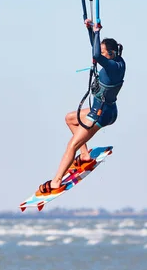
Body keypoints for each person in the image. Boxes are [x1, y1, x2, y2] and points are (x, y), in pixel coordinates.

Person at [37, 19, 126, 194]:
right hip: (105, 109)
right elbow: (97, 51)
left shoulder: (113, 67)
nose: (99, 53)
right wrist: (90, 30)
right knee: (70, 118)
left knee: (71, 145)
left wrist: (98, 31)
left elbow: (97, 56)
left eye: (103, 51)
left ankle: (56, 182)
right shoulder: (118, 60)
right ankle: (85, 156)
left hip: (100, 114)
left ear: (111, 54)